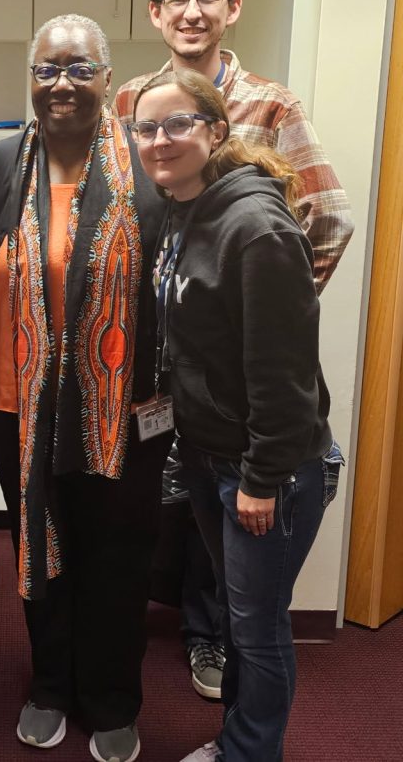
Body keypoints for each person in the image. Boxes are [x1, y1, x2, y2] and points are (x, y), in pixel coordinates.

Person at [112, 0, 353, 699]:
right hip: (166, 367)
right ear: (155, 11)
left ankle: (215, 642)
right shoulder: (133, 100)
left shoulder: (269, 104)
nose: (192, 11)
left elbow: (330, 216)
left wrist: (264, 312)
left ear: (232, 7)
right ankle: (191, 630)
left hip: (238, 376)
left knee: (239, 507)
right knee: (187, 505)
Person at [0, 14, 171, 762]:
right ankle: (51, 684)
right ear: (31, 79)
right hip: (16, 404)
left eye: (80, 68)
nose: (62, 83)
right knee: (39, 549)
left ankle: (112, 698)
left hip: (119, 408)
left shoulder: (147, 167)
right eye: (48, 68)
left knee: (117, 557)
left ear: (108, 80)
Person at [129, 68, 338, 762]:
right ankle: (239, 741)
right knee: (240, 615)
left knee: (256, 628)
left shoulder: (255, 228)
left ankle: (249, 751)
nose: (160, 140)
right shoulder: (184, 209)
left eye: (177, 124)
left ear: (216, 131)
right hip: (210, 454)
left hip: (266, 470)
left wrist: (260, 478)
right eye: (147, 128)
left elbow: (283, 376)